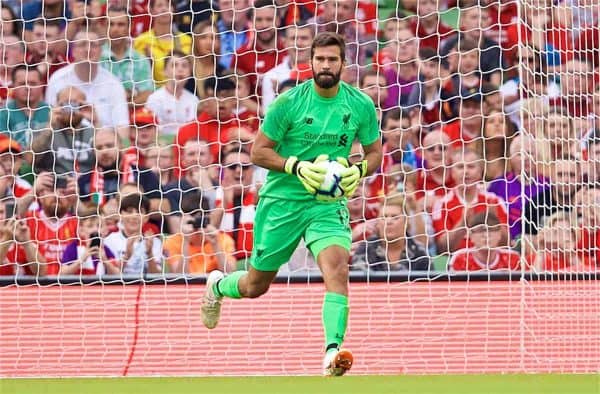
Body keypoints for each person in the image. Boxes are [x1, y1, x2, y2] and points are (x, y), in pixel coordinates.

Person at [200, 32, 382, 376]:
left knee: (338, 269)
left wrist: (357, 171)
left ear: (343, 63)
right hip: (283, 201)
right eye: (320, 59)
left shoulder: (360, 105)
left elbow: (375, 154)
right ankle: (218, 285)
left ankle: (332, 352)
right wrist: (297, 166)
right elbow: (258, 151)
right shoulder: (289, 103)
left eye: (332, 59)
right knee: (256, 285)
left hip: (326, 204)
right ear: (310, 62)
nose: (326, 65)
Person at [45, 31, 129, 138]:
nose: (88, 49)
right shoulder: (57, 79)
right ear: (73, 51)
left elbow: (123, 133)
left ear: (101, 51)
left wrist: (96, 123)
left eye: (93, 45)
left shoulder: (113, 84)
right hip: (64, 143)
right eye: (82, 44)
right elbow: (49, 122)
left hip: (102, 146)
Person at [351, 193, 431, 273]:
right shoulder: (365, 249)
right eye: (384, 217)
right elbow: (361, 281)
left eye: (395, 217)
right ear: (377, 223)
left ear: (406, 222)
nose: (388, 222)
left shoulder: (419, 252)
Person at [100, 5, 154, 107]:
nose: (115, 29)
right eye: (111, 24)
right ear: (105, 26)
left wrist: (116, 104)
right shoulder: (94, 58)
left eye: (121, 24)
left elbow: (146, 95)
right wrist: (130, 95)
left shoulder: (141, 60)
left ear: (131, 27)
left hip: (132, 120)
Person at [133, 0, 192, 86]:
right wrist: (149, 63)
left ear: (173, 10)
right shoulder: (142, 41)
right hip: (153, 94)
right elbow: (138, 75)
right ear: (151, 11)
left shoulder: (187, 40)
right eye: (159, 6)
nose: (164, 9)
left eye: (168, 5)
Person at [163, 209, 237, 275]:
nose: (196, 227)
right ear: (181, 221)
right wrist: (185, 241)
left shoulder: (223, 239)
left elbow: (230, 274)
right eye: (191, 222)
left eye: (200, 222)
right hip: (187, 287)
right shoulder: (172, 242)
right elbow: (179, 277)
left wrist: (216, 244)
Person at [103, 194, 162, 275]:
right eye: (129, 211)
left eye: (139, 212)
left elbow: (156, 278)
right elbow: (110, 275)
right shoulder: (109, 240)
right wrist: (127, 256)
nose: (134, 216)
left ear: (146, 217)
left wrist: (149, 253)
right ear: (121, 214)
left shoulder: (155, 242)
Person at [145, 51, 198, 137]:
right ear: (164, 72)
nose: (180, 69)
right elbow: (153, 132)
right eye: (174, 65)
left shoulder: (194, 100)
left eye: (184, 66)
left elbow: (193, 130)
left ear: (190, 73)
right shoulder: (154, 99)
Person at [448, 211, 521, 272]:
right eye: (480, 230)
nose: (486, 235)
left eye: (491, 230)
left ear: (499, 234)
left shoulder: (513, 258)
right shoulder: (460, 258)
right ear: (470, 236)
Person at [0, 65, 49, 148]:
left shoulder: (52, 113)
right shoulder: (3, 115)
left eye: (33, 84)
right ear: (13, 86)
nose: (28, 87)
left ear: (41, 85)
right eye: (22, 84)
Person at [59, 211, 119, 276]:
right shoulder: (73, 248)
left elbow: (117, 274)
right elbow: (63, 273)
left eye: (99, 226)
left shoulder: (105, 249)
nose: (95, 229)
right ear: (81, 230)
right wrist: (82, 259)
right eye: (90, 226)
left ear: (105, 230)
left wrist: (105, 260)